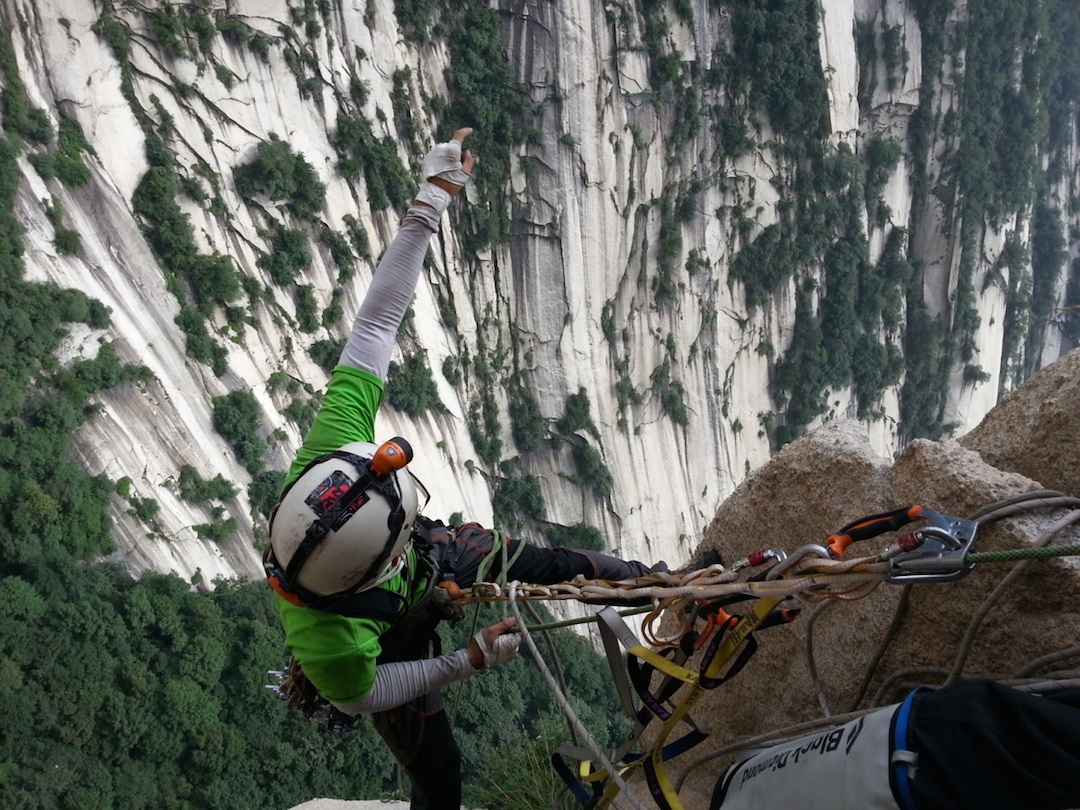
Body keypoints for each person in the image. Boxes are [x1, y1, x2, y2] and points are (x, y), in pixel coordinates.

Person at [263, 128, 667, 810]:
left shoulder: (326, 461)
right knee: (438, 776)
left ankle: (655, 587)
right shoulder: (332, 648)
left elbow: (374, 326)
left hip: (422, 569)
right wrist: (466, 662)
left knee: (554, 563)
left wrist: (431, 200)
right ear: (383, 564)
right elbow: (365, 695)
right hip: (391, 640)